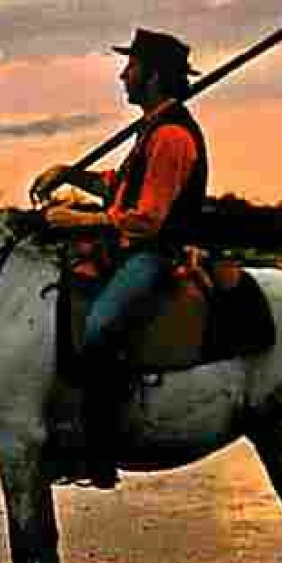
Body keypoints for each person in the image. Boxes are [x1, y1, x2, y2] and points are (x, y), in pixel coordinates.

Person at [28, 28, 209, 487]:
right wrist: (71, 173)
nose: (122, 75)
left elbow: (146, 219)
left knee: (99, 327)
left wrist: (78, 222)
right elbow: (119, 185)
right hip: (131, 248)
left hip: (156, 255)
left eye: (130, 67)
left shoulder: (171, 136)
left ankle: (100, 451)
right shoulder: (152, 130)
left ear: (151, 76)